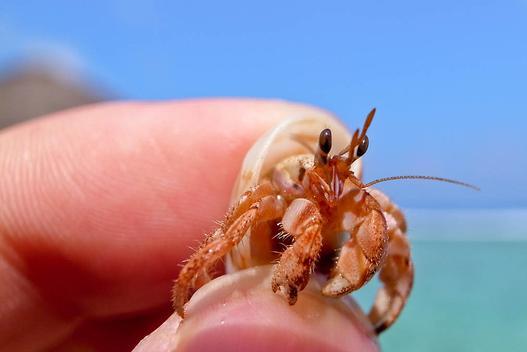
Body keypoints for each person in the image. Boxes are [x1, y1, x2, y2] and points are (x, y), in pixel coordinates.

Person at [0, 99, 379, 351]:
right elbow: (235, 222)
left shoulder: (342, 188)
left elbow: (382, 221)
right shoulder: (275, 188)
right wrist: (194, 276)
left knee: (380, 211)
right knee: (297, 224)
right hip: (280, 216)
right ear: (315, 156)